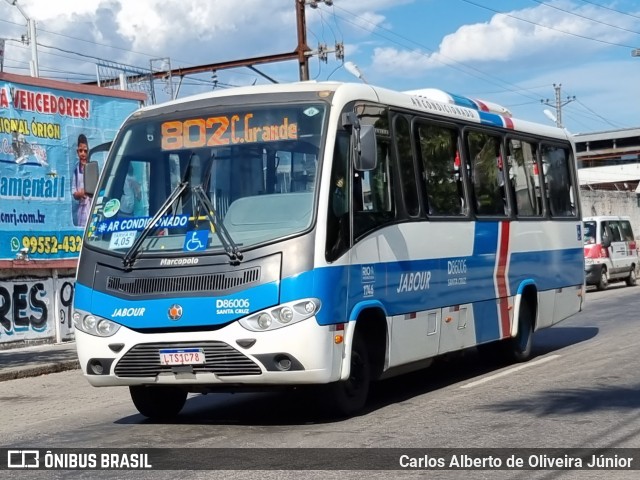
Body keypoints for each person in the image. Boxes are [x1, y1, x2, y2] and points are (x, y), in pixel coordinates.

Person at [71, 134, 90, 227]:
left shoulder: (92, 169)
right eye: (80, 151)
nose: (83, 154)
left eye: (85, 151)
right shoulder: (76, 171)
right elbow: (74, 190)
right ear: (77, 152)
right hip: (81, 208)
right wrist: (79, 194)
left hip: (91, 207)